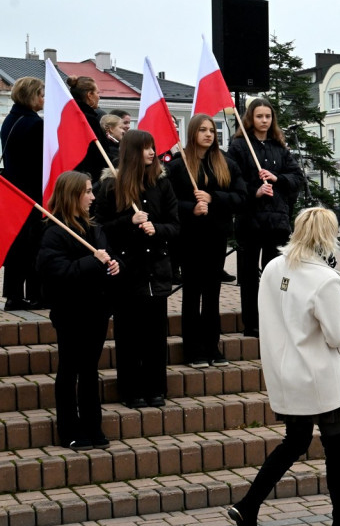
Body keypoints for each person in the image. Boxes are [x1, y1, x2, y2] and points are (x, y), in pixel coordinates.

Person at [228, 207, 340, 526]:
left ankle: (248, 506)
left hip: (284, 371)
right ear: (327, 237)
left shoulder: (274, 267)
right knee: (337, 446)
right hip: (318, 376)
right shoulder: (325, 278)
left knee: (294, 442)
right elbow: (337, 334)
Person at [95, 129, 179, 409]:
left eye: (153, 147)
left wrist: (158, 228)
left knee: (155, 335)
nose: (152, 152)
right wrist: (128, 223)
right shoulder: (110, 187)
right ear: (132, 152)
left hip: (155, 270)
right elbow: (100, 229)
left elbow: (175, 225)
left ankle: (156, 388)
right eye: (145, 148)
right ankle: (131, 390)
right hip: (127, 272)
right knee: (129, 335)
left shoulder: (162, 184)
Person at [36, 171, 120, 450]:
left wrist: (113, 266)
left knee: (89, 371)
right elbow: (58, 273)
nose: (93, 196)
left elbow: (106, 260)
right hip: (70, 314)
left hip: (96, 312)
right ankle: (69, 430)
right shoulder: (54, 233)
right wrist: (93, 262)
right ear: (72, 196)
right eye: (87, 191)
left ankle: (93, 426)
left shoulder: (95, 229)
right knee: (69, 369)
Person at [167, 115, 246, 368]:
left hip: (216, 236)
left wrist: (214, 198)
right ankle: (193, 349)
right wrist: (192, 208)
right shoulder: (179, 166)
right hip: (189, 238)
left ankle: (212, 346)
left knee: (213, 292)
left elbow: (240, 197)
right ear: (192, 133)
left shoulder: (226, 163)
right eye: (202, 130)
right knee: (192, 292)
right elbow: (169, 204)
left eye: (212, 130)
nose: (209, 134)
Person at [227, 98, 305, 338]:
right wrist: (255, 191)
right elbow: (233, 180)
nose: (264, 121)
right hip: (250, 219)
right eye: (259, 116)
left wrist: (276, 178)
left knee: (277, 274)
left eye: (268, 117)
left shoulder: (279, 147)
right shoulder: (239, 146)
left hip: (276, 220)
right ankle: (251, 323)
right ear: (251, 118)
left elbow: (297, 178)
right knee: (249, 274)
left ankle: (275, 319)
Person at [0, 76, 45, 310]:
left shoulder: (9, 120)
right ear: (31, 96)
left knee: (17, 246)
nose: (43, 99)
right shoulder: (35, 124)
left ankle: (14, 295)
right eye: (41, 94)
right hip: (32, 192)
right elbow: (39, 164)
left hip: (14, 190)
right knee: (34, 245)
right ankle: (36, 295)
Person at [66, 76, 108, 182]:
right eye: (97, 93)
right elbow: (98, 154)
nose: (99, 97)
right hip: (88, 178)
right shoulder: (88, 120)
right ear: (89, 95)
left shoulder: (66, 116)